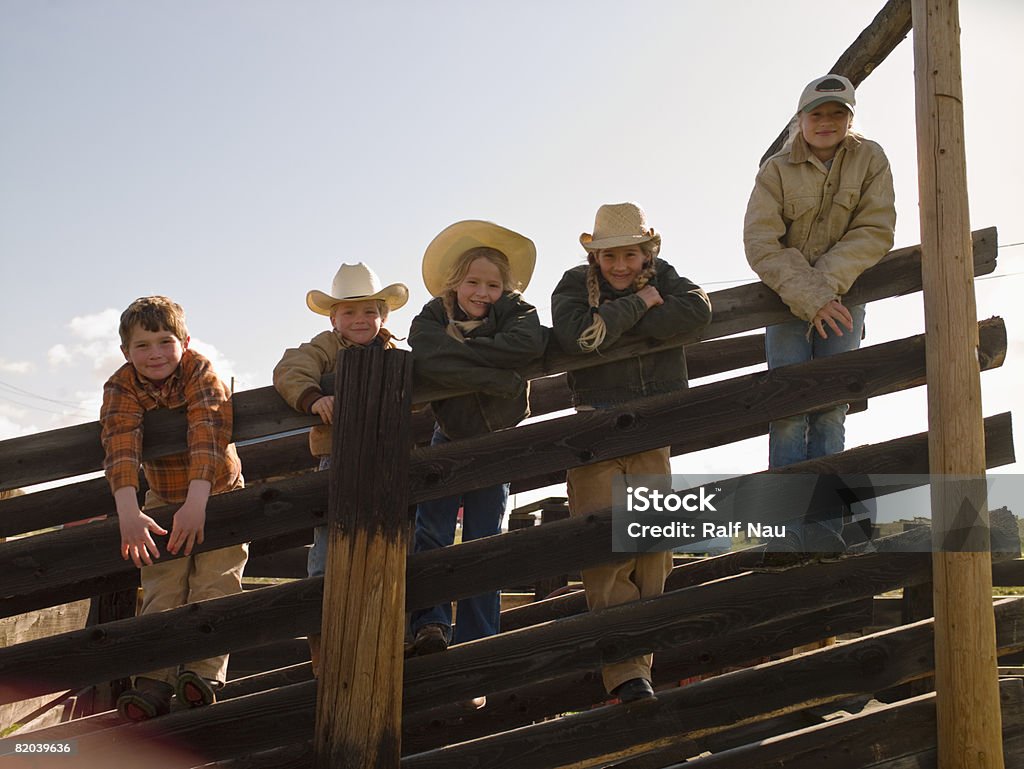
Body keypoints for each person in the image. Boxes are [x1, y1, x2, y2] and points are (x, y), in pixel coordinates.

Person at [551, 202, 711, 703]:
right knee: (605, 547)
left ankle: (640, 656)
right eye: (610, 256)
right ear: (595, 256)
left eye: (631, 255)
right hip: (595, 427)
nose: (620, 265)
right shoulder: (573, 284)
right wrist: (642, 304)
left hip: (653, 422)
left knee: (653, 547)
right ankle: (626, 674)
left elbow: (697, 312)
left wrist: (615, 323)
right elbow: (576, 335)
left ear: (648, 253)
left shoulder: (668, 276)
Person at [743, 74, 896, 552]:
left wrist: (824, 288)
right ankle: (786, 537)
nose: (826, 122)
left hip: (843, 298)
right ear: (801, 118)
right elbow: (761, 243)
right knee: (787, 411)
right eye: (817, 114)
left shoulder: (871, 159)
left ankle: (824, 534)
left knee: (831, 408)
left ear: (850, 118)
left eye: (837, 113)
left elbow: (876, 228)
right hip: (784, 302)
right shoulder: (775, 170)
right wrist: (810, 297)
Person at [407, 221, 547, 695]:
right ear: (454, 283)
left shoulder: (519, 312)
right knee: (432, 532)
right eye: (473, 282)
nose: (482, 292)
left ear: (507, 289)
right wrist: (498, 374)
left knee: (487, 538)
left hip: (495, 440)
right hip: (448, 436)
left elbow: (527, 345)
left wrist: (466, 354)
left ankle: (478, 639)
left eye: (493, 284)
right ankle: (430, 624)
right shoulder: (431, 316)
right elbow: (427, 356)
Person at [101, 296, 248, 721]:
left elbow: (209, 429)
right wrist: (128, 512)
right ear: (126, 352)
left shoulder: (200, 371)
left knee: (215, 582)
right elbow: (121, 442)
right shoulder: (121, 385)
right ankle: (154, 679)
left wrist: (199, 501)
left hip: (218, 490)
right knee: (163, 585)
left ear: (185, 341)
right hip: (163, 496)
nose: (155, 354)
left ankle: (203, 674)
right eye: (142, 345)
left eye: (165, 341)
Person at [273, 262, 408, 675]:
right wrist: (314, 397)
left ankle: (384, 645)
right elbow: (291, 367)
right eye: (348, 312)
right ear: (333, 318)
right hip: (337, 458)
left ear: (383, 315)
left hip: (388, 463)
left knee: (387, 550)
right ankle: (326, 650)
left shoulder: (396, 354)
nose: (359, 320)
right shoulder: (327, 347)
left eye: (368, 311)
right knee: (329, 550)